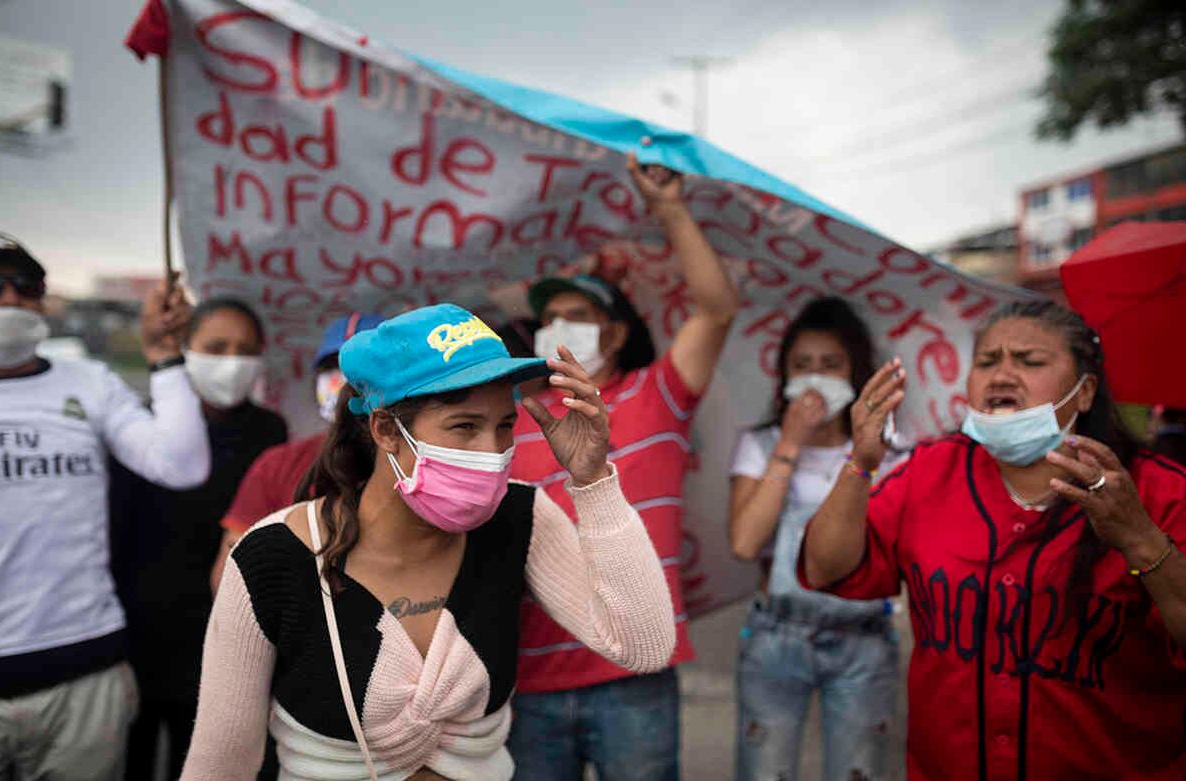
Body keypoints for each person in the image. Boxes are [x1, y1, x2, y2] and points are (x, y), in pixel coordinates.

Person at [180, 303, 676, 780]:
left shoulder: (520, 520)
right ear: (385, 430)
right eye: (464, 427)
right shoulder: (271, 560)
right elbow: (221, 767)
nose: (492, 453)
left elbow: (644, 646)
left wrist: (593, 482)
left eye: (505, 426)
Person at [801, 299, 1186, 780]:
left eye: (1030, 361)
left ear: (1085, 392)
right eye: (987, 362)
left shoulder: (1160, 491)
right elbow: (824, 567)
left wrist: (1141, 540)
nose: (1002, 375)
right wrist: (861, 460)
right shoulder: (929, 472)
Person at [508, 155, 739, 780]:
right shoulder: (511, 416)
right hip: (529, 678)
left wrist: (667, 208)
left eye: (577, 317)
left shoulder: (656, 394)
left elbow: (716, 310)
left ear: (612, 335)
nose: (558, 327)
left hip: (635, 670)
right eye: (548, 317)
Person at [0, 234, 210, 779]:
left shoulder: (90, 383)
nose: (11, 299)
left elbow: (182, 466)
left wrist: (162, 355)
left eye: (27, 286)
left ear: (43, 300)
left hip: (86, 673)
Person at [110, 297, 288, 781]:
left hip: (228, 637)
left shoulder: (270, 432)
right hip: (140, 632)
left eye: (245, 350)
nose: (231, 361)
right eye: (217, 347)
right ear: (186, 349)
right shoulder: (140, 430)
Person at [727, 297, 898, 781]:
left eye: (830, 365)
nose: (816, 376)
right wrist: (790, 442)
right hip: (775, 635)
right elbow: (744, 542)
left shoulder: (887, 452)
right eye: (803, 365)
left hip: (865, 638)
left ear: (856, 373)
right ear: (783, 375)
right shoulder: (760, 445)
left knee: (860, 769)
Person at [208, 312, 385, 594]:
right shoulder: (276, 466)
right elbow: (229, 580)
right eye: (335, 367)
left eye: (365, 367)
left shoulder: (417, 467)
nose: (347, 382)